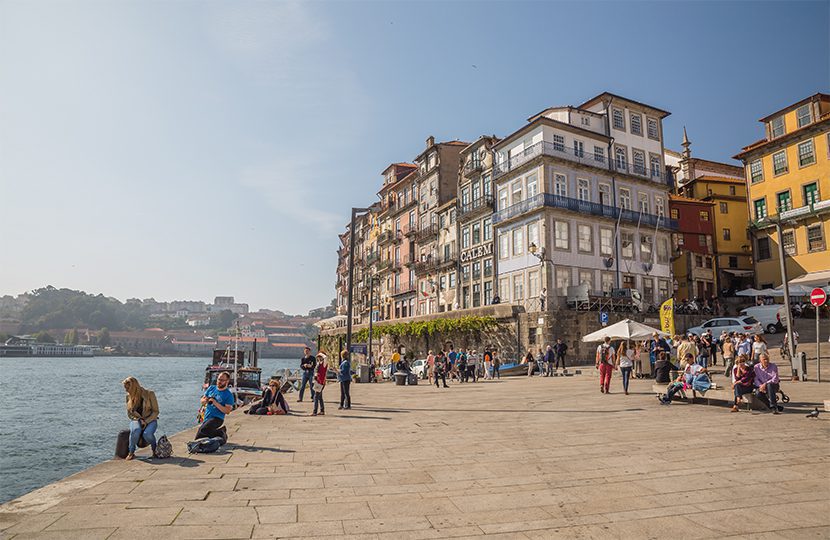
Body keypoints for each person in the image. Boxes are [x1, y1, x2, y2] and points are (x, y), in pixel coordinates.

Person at [122, 376, 159, 460]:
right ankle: (131, 452)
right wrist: (139, 419)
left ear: (133, 387)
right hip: (136, 419)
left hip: (150, 419)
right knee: (135, 430)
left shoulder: (150, 394)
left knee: (147, 434)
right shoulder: (128, 397)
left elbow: (156, 411)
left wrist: (146, 421)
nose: (126, 390)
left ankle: (155, 450)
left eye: (127, 388)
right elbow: (130, 414)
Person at [196, 371, 234, 441]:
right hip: (207, 417)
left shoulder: (228, 395)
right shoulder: (211, 388)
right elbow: (202, 400)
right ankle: (219, 434)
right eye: (218, 379)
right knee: (199, 435)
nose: (219, 381)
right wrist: (205, 400)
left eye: (222, 380)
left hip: (217, 418)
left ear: (227, 381)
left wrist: (215, 403)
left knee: (203, 430)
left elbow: (227, 411)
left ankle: (220, 433)